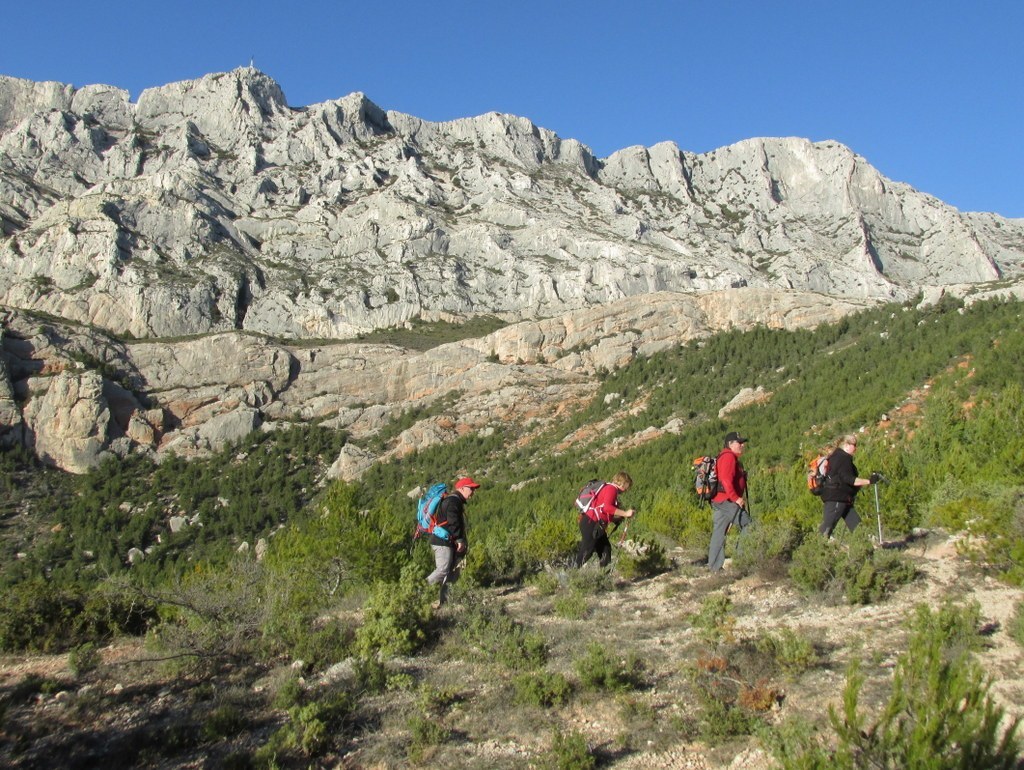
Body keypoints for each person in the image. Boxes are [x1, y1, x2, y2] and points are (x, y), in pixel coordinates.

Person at [426, 476, 480, 606]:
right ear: (461, 488)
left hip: (447, 542)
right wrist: (460, 539)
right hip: (442, 542)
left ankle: (446, 602)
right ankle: (419, 588)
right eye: (471, 488)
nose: (473, 491)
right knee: (443, 569)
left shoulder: (454, 501)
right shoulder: (453, 502)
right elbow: (453, 522)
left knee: (452, 572)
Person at [819, 434, 881, 537]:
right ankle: (813, 548)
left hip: (842, 498)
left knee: (856, 526)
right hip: (837, 498)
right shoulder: (843, 457)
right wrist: (870, 481)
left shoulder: (836, 456)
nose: (856, 448)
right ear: (847, 445)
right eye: (854, 445)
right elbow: (849, 479)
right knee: (826, 529)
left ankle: (863, 547)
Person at [708, 431, 750, 571]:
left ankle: (714, 567)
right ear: (730, 444)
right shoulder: (728, 457)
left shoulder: (725, 456)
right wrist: (736, 498)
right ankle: (742, 559)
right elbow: (726, 480)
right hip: (727, 500)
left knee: (719, 531)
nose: (742, 445)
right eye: (739, 442)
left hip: (719, 500)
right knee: (749, 525)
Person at [575, 471, 635, 568]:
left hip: (593, 524)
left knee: (605, 550)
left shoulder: (608, 488)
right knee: (587, 551)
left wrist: (617, 519)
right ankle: (568, 575)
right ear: (624, 483)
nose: (627, 489)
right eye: (628, 486)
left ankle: (604, 577)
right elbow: (606, 508)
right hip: (592, 524)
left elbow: (603, 511)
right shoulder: (611, 489)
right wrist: (625, 513)